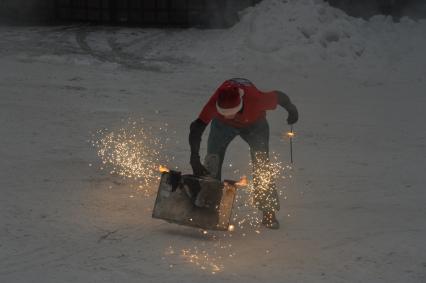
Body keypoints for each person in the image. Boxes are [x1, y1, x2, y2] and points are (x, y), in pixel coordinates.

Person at [188, 78, 298, 229]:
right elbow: (196, 127)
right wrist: (194, 158)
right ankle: (208, 206)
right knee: (212, 159)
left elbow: (279, 96)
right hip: (222, 127)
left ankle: (268, 211)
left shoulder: (256, 99)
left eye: (230, 113)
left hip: (255, 125)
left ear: (240, 106)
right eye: (222, 112)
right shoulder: (216, 101)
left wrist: (291, 108)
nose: (227, 115)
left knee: (262, 164)